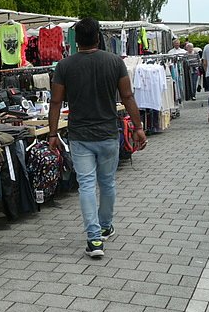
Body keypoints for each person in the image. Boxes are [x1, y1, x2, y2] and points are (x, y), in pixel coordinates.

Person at [48, 17, 146, 259]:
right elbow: (127, 96)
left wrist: (52, 133)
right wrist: (138, 127)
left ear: (76, 41)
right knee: (107, 183)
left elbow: (56, 102)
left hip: (80, 135)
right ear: (98, 38)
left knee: (86, 185)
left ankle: (94, 239)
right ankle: (105, 226)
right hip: (108, 133)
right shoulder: (115, 62)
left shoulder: (64, 66)